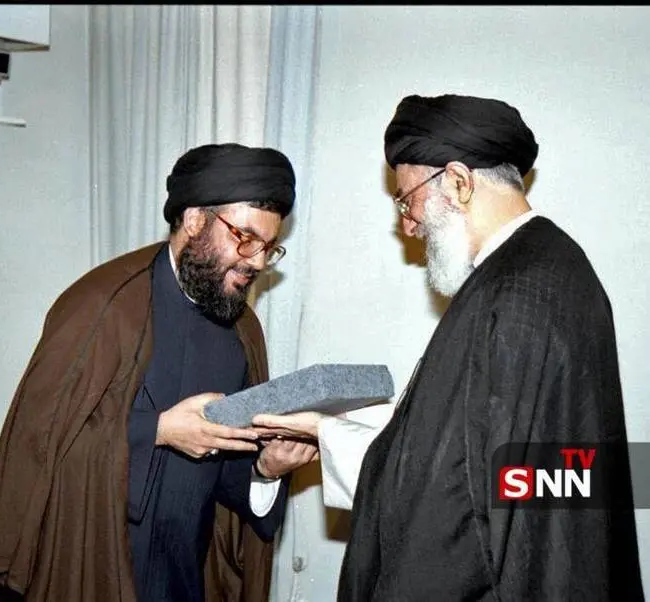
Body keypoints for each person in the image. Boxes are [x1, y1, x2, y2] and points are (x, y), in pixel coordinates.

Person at [255, 94, 645, 601]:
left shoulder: (514, 294)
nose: (407, 225)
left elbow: (465, 494)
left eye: (407, 200)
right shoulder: (549, 267)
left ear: (459, 181)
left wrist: (324, 432)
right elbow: (491, 452)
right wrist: (374, 427)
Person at [0, 142, 318, 602]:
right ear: (195, 220)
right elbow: (37, 449)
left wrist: (266, 469)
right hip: (91, 571)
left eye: (269, 247)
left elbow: (225, 472)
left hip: (185, 579)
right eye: (245, 238)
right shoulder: (101, 305)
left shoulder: (243, 330)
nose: (258, 262)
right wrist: (159, 431)